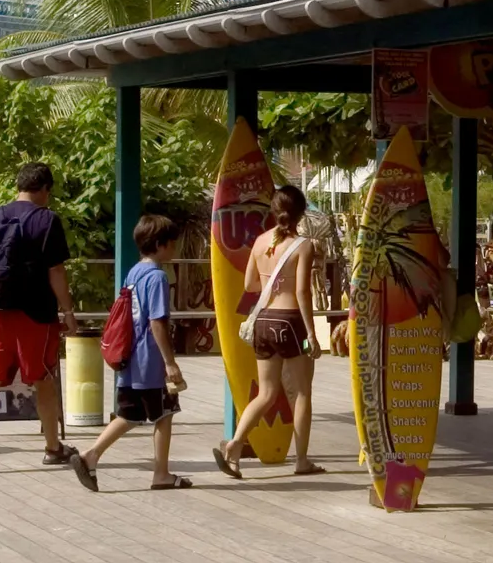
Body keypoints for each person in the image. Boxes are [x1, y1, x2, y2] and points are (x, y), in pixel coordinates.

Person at [0, 162, 78, 474]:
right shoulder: (46, 219)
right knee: (42, 379)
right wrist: (68, 311)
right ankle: (53, 448)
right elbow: (55, 270)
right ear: (43, 189)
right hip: (34, 314)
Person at [69, 214, 189, 491]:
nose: (175, 249)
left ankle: (91, 455)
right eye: (173, 243)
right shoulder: (157, 277)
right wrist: (170, 363)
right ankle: (161, 473)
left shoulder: (134, 273)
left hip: (130, 358)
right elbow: (156, 322)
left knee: (130, 413)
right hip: (150, 361)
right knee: (164, 413)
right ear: (160, 244)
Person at [213, 184, 323, 479]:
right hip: (290, 321)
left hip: (263, 321)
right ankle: (301, 460)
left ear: (274, 212)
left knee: (267, 392)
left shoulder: (261, 241)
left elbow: (250, 285)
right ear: (301, 213)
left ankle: (235, 444)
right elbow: (302, 292)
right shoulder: (304, 245)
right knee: (301, 392)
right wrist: (312, 333)